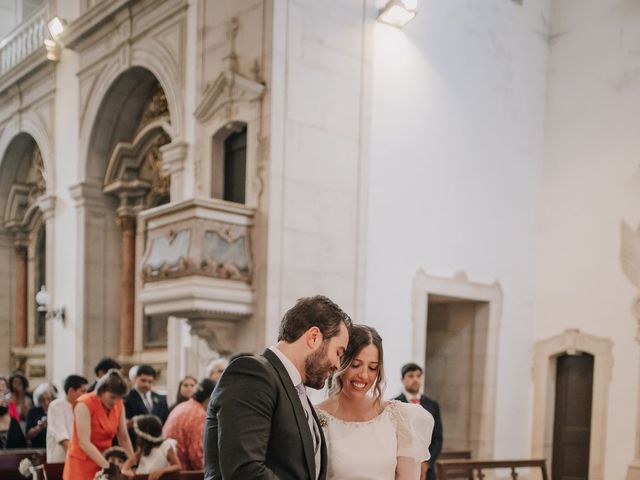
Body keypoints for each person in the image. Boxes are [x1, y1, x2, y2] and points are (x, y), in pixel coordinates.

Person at [204, 295, 352, 480]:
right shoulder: (252, 374)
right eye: (338, 353)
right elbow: (244, 471)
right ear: (314, 337)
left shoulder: (296, 389)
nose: (338, 365)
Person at [316, 324, 435, 480]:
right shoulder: (316, 417)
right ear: (340, 362)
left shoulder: (398, 417)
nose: (364, 376)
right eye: (355, 365)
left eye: (373, 368)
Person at [63, 369, 134, 480]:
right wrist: (107, 467)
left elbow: (124, 437)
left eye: (119, 398)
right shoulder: (84, 404)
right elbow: (84, 442)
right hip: (82, 463)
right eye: (112, 397)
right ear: (101, 391)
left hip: (107, 460)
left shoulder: (119, 404)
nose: (115, 402)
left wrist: (131, 464)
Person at [395, 363, 444, 480]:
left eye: (418, 376)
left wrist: (427, 463)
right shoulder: (394, 404)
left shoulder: (432, 405)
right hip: (401, 467)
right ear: (402, 379)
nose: (415, 379)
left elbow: (437, 438)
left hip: (427, 470)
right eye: (411, 376)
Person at [163, 378, 215, 470]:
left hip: (169, 468)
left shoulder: (182, 406)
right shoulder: (199, 414)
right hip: (184, 473)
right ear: (210, 398)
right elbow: (196, 457)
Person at [121, 414, 180, 480]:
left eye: (140, 436)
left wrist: (162, 471)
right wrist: (126, 471)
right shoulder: (143, 449)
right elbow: (127, 464)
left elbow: (177, 466)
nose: (138, 438)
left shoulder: (166, 446)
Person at [46, 374, 89, 462]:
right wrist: (77, 457)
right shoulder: (56, 406)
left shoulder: (84, 407)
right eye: (83, 391)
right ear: (71, 391)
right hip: (61, 460)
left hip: (79, 458)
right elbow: (62, 437)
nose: (86, 395)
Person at [124, 365, 169, 445]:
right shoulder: (126, 399)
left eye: (150, 382)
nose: (146, 384)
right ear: (135, 379)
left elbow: (166, 421)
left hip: (157, 443)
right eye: (143, 381)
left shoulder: (161, 399)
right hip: (136, 443)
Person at [25, 382, 57, 448]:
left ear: (53, 398)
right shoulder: (33, 411)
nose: (46, 402)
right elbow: (28, 435)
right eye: (43, 399)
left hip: (54, 446)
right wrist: (39, 427)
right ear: (38, 400)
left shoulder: (57, 410)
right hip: (38, 447)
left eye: (49, 399)